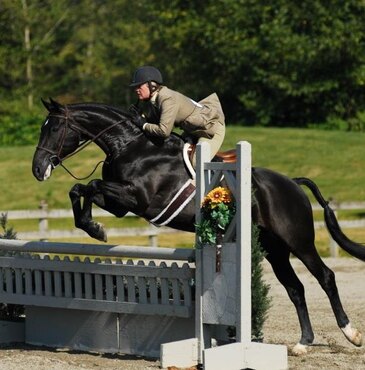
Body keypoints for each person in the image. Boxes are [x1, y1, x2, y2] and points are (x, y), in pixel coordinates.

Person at [129, 66, 225, 167]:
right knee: (175, 154)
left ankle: (220, 175)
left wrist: (143, 124)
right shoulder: (155, 100)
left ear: (151, 85)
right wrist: (143, 117)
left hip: (211, 129)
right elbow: (154, 124)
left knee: (197, 163)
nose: (136, 89)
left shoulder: (166, 98)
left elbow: (163, 131)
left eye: (139, 86)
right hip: (193, 131)